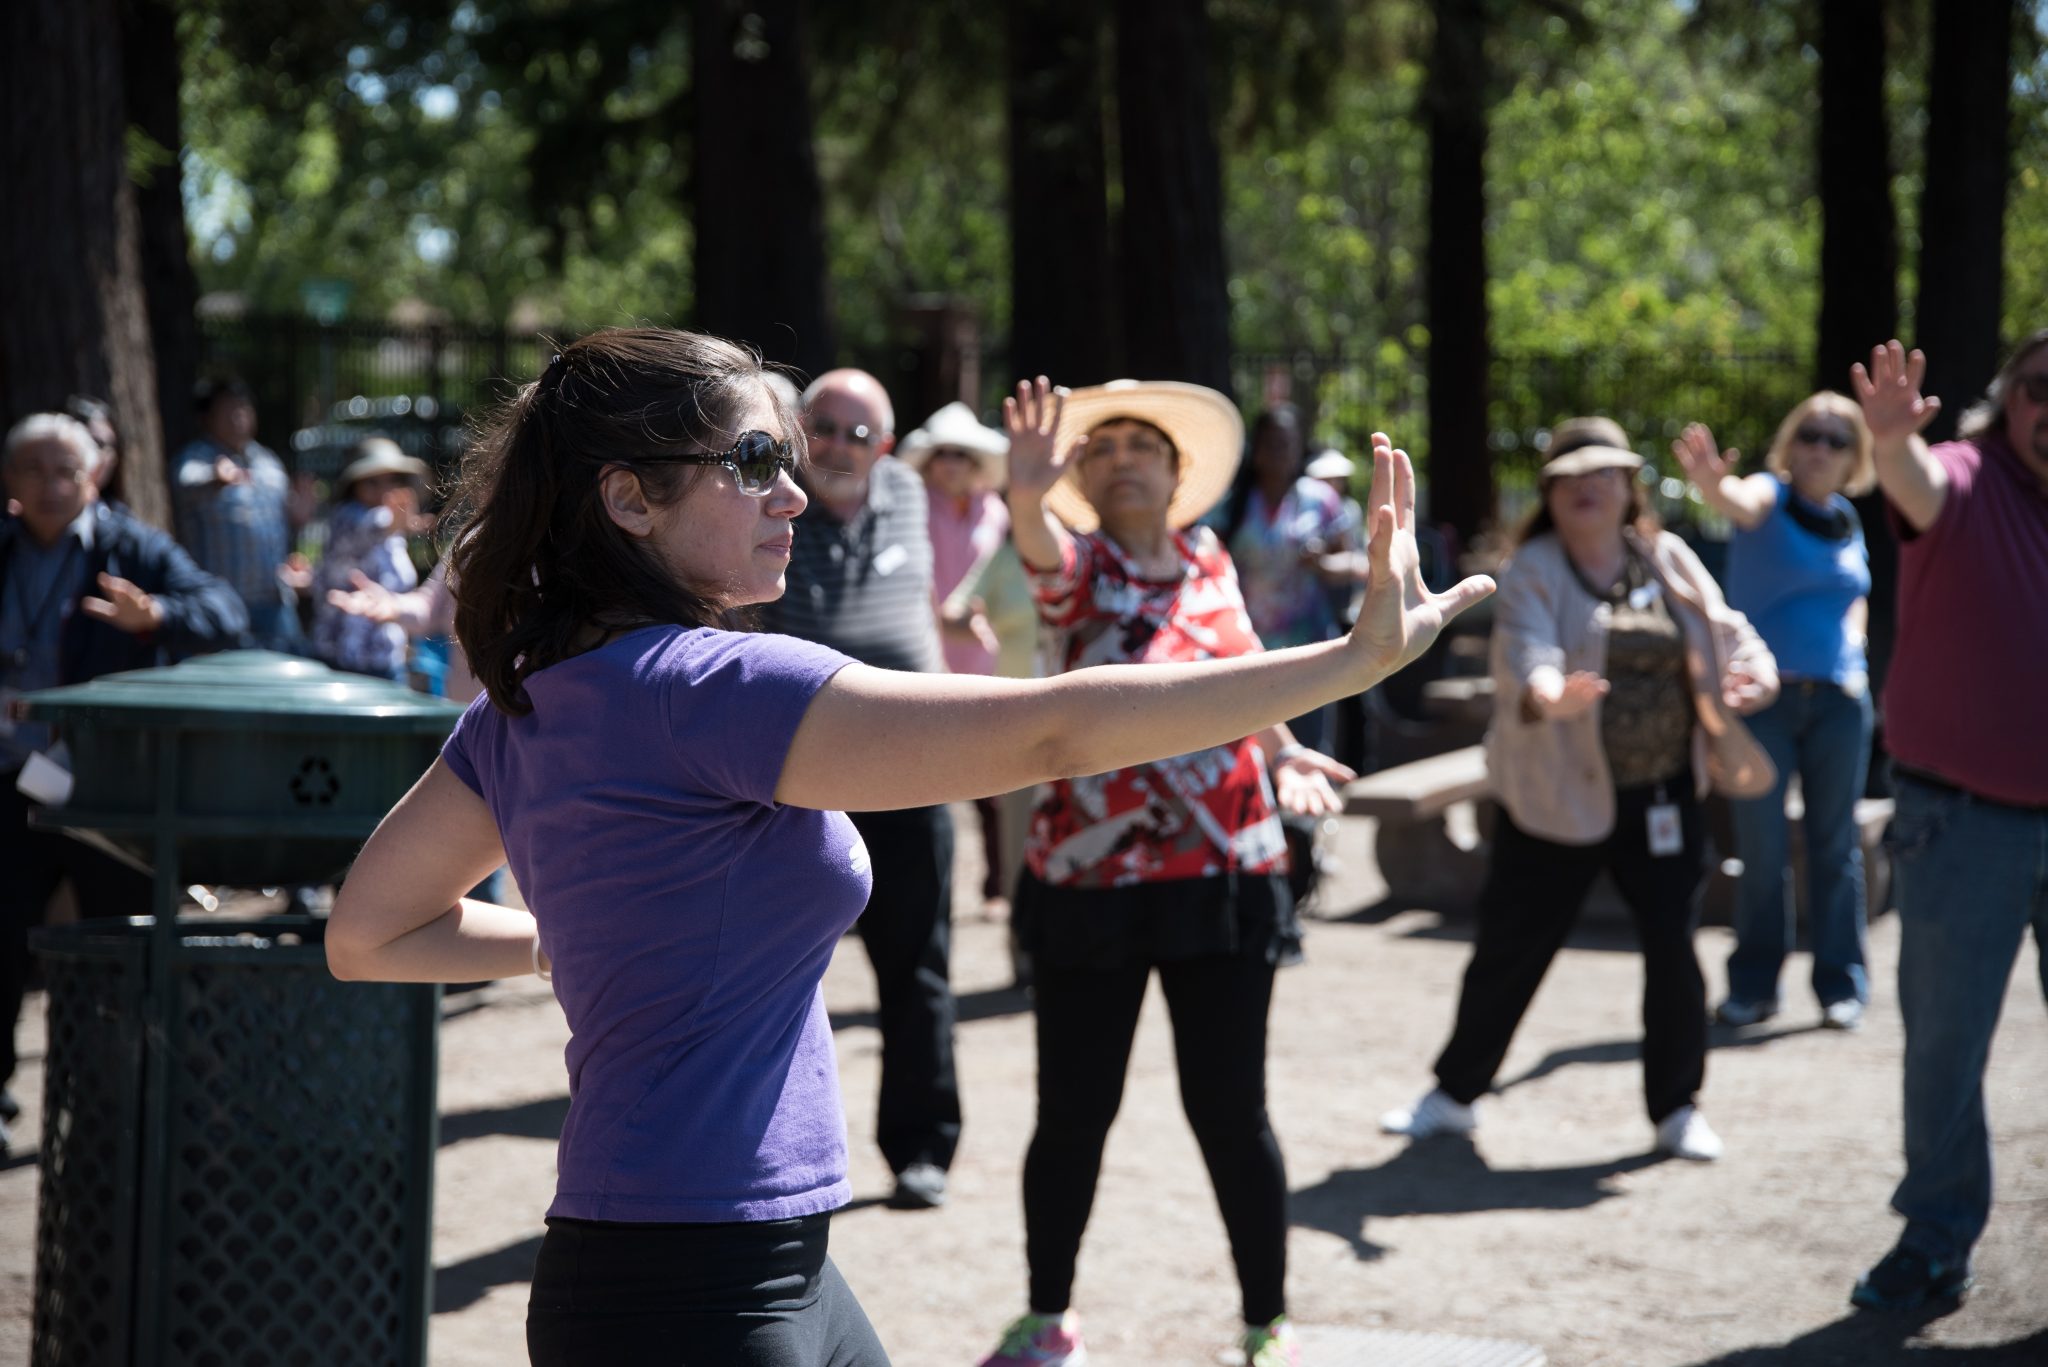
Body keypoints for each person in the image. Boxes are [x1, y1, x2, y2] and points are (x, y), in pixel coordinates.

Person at [322, 329, 1491, 1365]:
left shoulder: (526, 701)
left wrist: (576, 942)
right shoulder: (714, 688)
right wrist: (1347, 662)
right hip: (695, 1287)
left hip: (718, 1265)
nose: (792, 492)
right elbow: (1050, 730)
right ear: (629, 499)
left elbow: (367, 934)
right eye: (753, 460)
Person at [973, 380, 1384, 1367]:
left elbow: (1240, 670)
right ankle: (1047, 1318)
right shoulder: (1082, 564)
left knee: (1230, 1111)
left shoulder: (1208, 556)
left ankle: (1266, 1322)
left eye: (1142, 446)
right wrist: (1024, 495)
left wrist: (1284, 749)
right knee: (1073, 1113)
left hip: (1225, 871)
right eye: (1102, 447)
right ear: (1079, 477)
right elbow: (1044, 561)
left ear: (1176, 471)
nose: (1122, 460)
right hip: (1089, 881)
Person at [1381, 416, 1778, 1166]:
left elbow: (1727, 629)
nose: (1586, 487)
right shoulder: (1533, 566)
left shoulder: (1666, 556)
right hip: (1554, 795)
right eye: (1569, 476)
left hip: (1661, 793)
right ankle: (1454, 1095)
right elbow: (1526, 649)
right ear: (1549, 492)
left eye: (1602, 472)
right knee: (1511, 946)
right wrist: (1549, 693)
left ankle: (1677, 1108)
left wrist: (1755, 671)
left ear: (1628, 485)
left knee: (1673, 950)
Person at [1844, 337, 2048, 1313]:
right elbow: (1917, 484)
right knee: (1944, 1047)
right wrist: (1889, 443)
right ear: (2008, 402)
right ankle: (1934, 1237)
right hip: (1959, 822)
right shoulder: (1968, 476)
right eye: (2040, 389)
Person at [1, 413, 246, 1149]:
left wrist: (155, 615)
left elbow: (225, 613)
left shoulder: (131, 547)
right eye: (35, 469)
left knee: (122, 941)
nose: (51, 485)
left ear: (93, 478)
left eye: (66, 471)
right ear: (10, 480)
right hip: (10, 781)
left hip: (105, 786)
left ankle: (125, 1104)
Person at [754, 366, 963, 1212]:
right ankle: (765, 1155)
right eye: (825, 428)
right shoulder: (769, 503)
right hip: (797, 775)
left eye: (860, 433)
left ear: (889, 446)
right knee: (769, 972)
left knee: (918, 968)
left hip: (915, 771)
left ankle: (922, 1147)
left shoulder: (910, 491)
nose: (839, 447)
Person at [1672, 397, 1876, 1032]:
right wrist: (1712, 486)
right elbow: (1738, 501)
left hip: (1840, 702)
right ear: (1792, 441)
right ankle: (1755, 987)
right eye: (1811, 434)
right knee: (1763, 850)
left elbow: (1855, 596)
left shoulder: (1846, 518)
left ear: (1854, 456)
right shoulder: (1769, 494)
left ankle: (1841, 984)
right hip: (1762, 701)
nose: (1821, 448)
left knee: (1835, 848)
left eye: (1837, 439)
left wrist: (1855, 647)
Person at [902, 401, 1014, 914]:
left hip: (986, 657)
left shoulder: (996, 510)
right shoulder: (912, 505)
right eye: (943, 454)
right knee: (925, 784)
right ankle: (923, 897)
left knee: (997, 780)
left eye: (961, 455)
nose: (951, 464)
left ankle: (997, 887)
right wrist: (938, 621)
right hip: (924, 656)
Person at [1214, 404, 1352, 752]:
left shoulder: (1320, 500)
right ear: (1257, 449)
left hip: (1309, 646)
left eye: (1287, 444)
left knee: (1309, 740)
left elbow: (1352, 562)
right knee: (1252, 742)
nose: (1279, 452)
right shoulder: (1233, 503)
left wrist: (1322, 564)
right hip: (1248, 648)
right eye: (1271, 443)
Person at [174, 377, 302, 651]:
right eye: (228, 410)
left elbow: (287, 516)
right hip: (219, 605)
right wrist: (214, 477)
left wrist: (300, 513)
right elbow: (186, 483)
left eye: (243, 408)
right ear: (207, 418)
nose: (238, 416)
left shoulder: (268, 461)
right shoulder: (196, 458)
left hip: (274, 602)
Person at [310, 438, 432, 681]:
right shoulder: (346, 518)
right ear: (354, 485)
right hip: (345, 659)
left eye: (392, 480)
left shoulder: (395, 535)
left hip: (386, 658)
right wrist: (396, 522)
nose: (384, 489)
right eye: (372, 482)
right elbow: (372, 526)